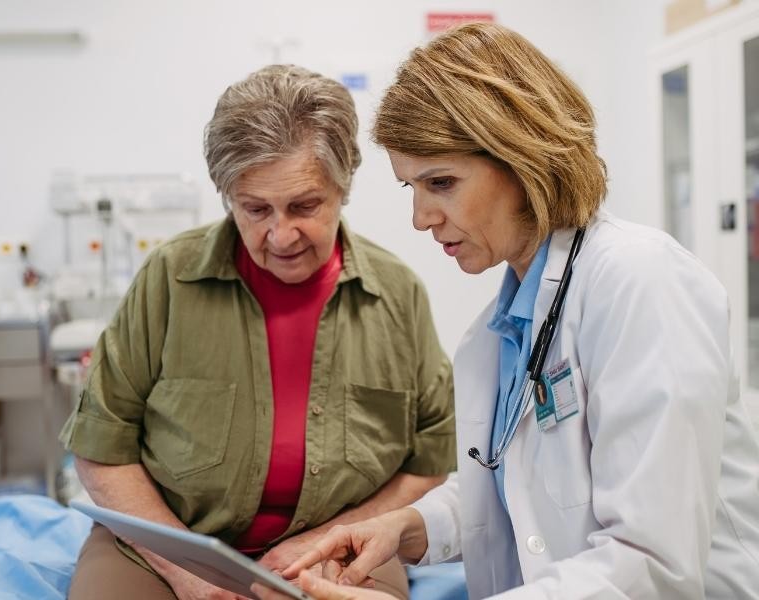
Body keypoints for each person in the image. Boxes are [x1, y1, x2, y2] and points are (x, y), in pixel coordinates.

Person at [253, 23, 759, 600]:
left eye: (440, 182)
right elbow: (508, 480)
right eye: (410, 188)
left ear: (523, 160)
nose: (421, 218)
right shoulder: (498, 333)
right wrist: (406, 528)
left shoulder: (642, 283)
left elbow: (650, 565)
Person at [59, 64, 457, 600]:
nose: (281, 233)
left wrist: (330, 538)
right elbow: (101, 446)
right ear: (228, 198)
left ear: (343, 188)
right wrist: (187, 573)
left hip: (338, 546)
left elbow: (430, 458)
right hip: (166, 545)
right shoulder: (170, 280)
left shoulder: (397, 294)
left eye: (304, 206)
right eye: (255, 209)